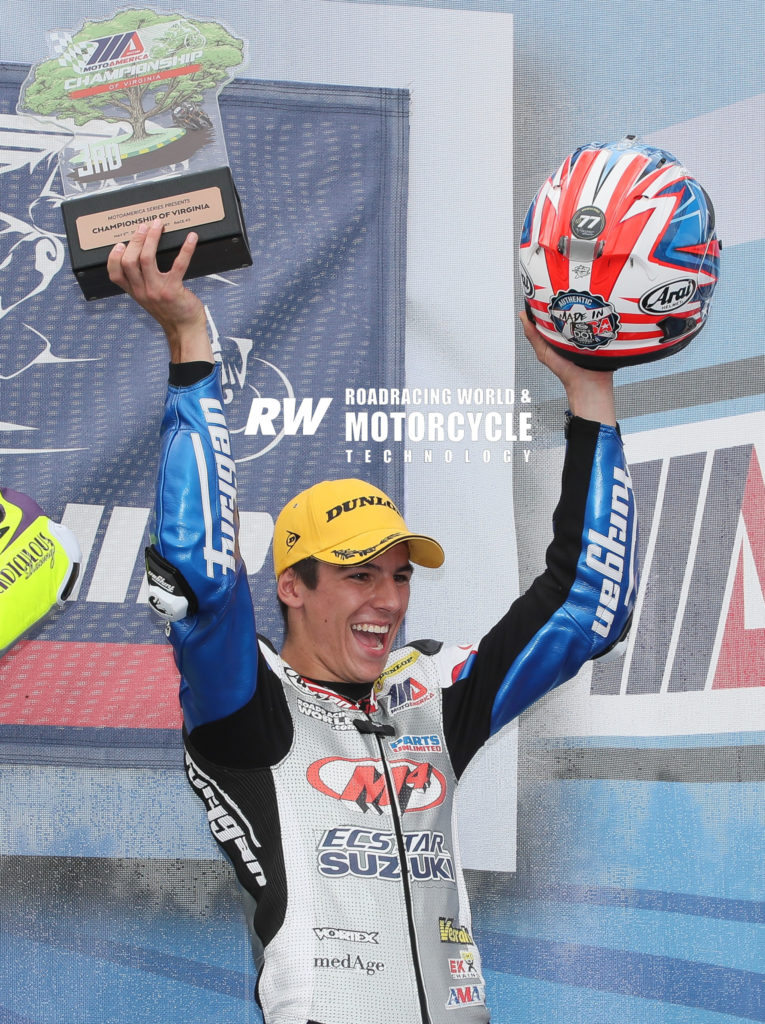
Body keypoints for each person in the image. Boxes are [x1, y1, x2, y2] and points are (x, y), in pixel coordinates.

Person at [108, 220, 637, 1024]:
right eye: (358, 576)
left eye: (398, 576)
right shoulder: (245, 707)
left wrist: (588, 391)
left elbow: (585, 607)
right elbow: (199, 574)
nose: (387, 601)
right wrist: (189, 344)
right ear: (290, 586)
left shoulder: (429, 693)